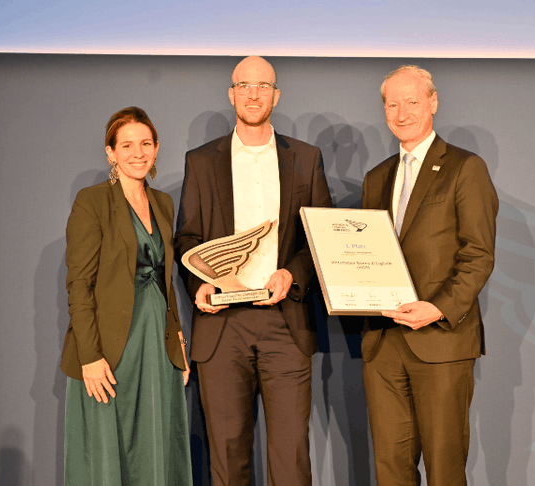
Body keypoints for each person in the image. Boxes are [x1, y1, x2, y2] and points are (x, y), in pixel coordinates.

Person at [174, 56, 332, 486]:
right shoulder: (201, 161)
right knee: (227, 459)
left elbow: (320, 238)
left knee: (290, 459)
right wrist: (199, 284)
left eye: (263, 86)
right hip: (223, 326)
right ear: (231, 94)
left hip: (286, 323)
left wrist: (292, 274)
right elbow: (187, 238)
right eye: (244, 85)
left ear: (276, 96)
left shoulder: (306, 158)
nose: (253, 94)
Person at [361, 65, 499, 486]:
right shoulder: (376, 177)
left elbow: (478, 255)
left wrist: (437, 309)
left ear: (433, 103)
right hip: (383, 343)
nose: (402, 114)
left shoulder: (465, 167)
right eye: (392, 104)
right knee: (390, 470)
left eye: (412, 102)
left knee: (444, 469)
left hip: (441, 340)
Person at [61, 107, 193, 486]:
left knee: (157, 446)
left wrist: (178, 339)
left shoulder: (163, 203)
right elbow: (79, 284)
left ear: (156, 149)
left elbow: (165, 279)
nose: (138, 153)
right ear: (111, 153)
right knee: (111, 450)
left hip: (158, 345)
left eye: (146, 144)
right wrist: (90, 356)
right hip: (110, 347)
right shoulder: (92, 201)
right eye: (127, 145)